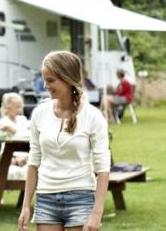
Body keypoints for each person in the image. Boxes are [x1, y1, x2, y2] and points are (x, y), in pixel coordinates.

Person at [19, 51, 110, 231]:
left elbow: (103, 168)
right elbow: (33, 161)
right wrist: (25, 206)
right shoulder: (39, 113)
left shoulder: (93, 116)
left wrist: (96, 213)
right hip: (46, 197)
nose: (45, 86)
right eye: (44, 80)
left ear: (68, 79)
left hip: (81, 197)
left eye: (51, 80)